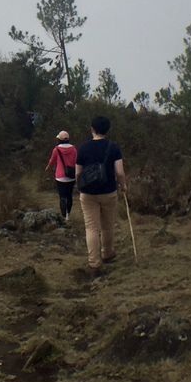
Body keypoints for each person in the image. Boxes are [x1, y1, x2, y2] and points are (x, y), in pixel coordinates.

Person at [76, 116, 127, 272]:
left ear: (92, 129)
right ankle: (108, 253)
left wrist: (81, 185)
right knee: (107, 226)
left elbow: (78, 173)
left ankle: (94, 262)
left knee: (91, 228)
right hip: (108, 191)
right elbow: (119, 171)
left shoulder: (83, 148)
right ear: (108, 129)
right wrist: (123, 185)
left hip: (88, 193)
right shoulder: (114, 147)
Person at [45, 130, 77, 222]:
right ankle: (68, 215)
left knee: (62, 196)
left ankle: (63, 216)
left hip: (60, 177)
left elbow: (52, 161)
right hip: (71, 176)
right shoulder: (74, 149)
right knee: (69, 195)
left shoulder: (56, 149)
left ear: (59, 139)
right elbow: (76, 162)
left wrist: (47, 168)